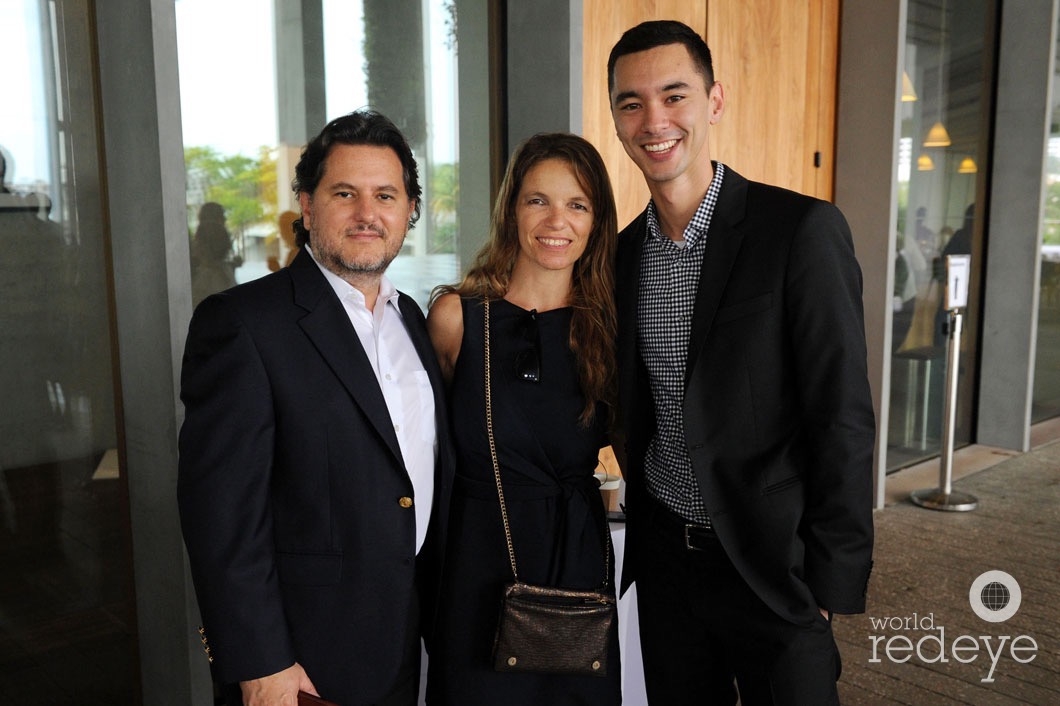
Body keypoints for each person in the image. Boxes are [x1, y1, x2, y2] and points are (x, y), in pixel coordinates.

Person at [606, 20, 876, 705]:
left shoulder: (799, 232)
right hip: (668, 561)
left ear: (715, 101)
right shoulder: (621, 256)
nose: (653, 120)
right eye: (631, 102)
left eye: (675, 96)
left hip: (772, 568)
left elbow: (840, 415)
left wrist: (827, 587)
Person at [177, 109, 454, 706]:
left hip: (403, 649)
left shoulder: (412, 320)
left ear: (410, 210)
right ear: (307, 206)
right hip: (301, 666)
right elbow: (220, 515)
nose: (366, 213)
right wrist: (260, 662)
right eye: (343, 193)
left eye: (386, 194)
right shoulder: (244, 324)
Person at [424, 132, 621, 705]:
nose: (556, 220)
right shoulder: (456, 318)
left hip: (578, 563)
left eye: (577, 204)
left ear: (595, 221)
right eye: (539, 200)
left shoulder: (607, 332)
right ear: (512, 209)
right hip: (476, 566)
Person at [190, 201, 243, 306]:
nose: (225, 220)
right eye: (222, 216)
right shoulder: (221, 272)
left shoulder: (207, 279)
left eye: (197, 241)